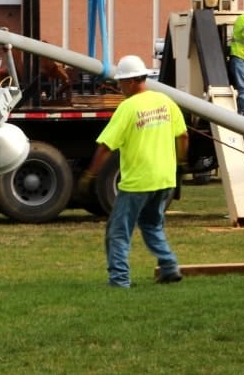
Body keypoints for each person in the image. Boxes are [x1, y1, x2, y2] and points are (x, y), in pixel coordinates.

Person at [80, 54, 188, 288]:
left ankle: (119, 280)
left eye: (120, 83)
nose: (119, 88)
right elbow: (183, 136)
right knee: (151, 224)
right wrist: (179, 164)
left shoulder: (127, 108)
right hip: (164, 179)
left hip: (138, 182)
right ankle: (169, 267)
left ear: (130, 82)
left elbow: (105, 146)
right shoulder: (165, 102)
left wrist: (90, 175)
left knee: (118, 232)